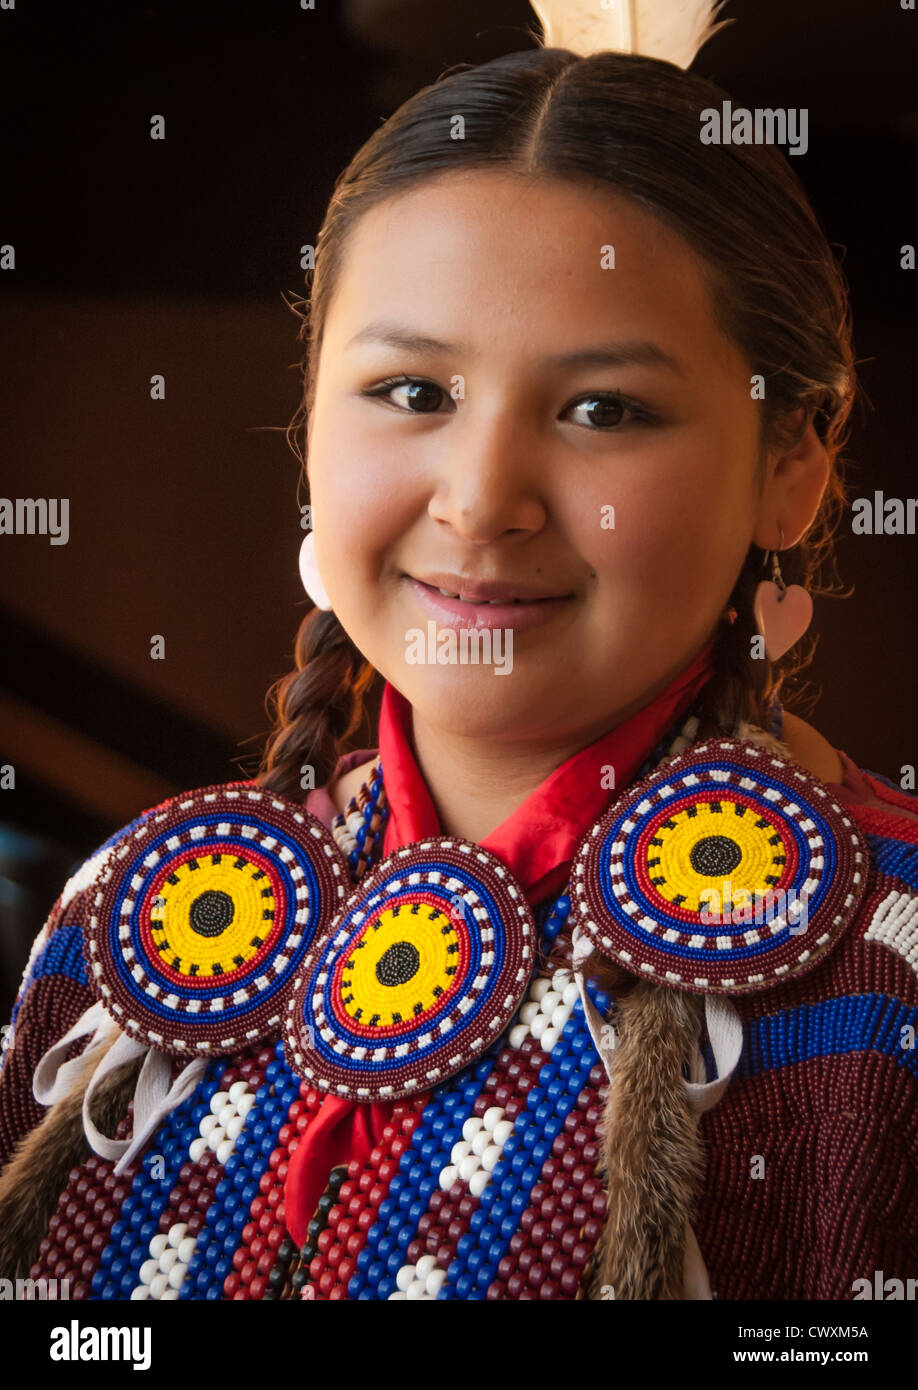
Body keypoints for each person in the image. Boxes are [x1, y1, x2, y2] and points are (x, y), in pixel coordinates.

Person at [2, 15, 917, 1302]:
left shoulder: (890, 965)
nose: (483, 500)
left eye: (604, 409)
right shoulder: (119, 924)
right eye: (414, 393)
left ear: (794, 467)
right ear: (310, 418)